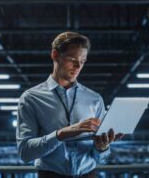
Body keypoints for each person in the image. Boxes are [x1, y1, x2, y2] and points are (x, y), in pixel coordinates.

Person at [16, 31, 123, 177]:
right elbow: (25, 153)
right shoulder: (31, 98)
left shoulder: (95, 99)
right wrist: (61, 134)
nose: (78, 65)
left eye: (83, 61)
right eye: (72, 59)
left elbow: (101, 158)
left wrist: (101, 148)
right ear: (55, 55)